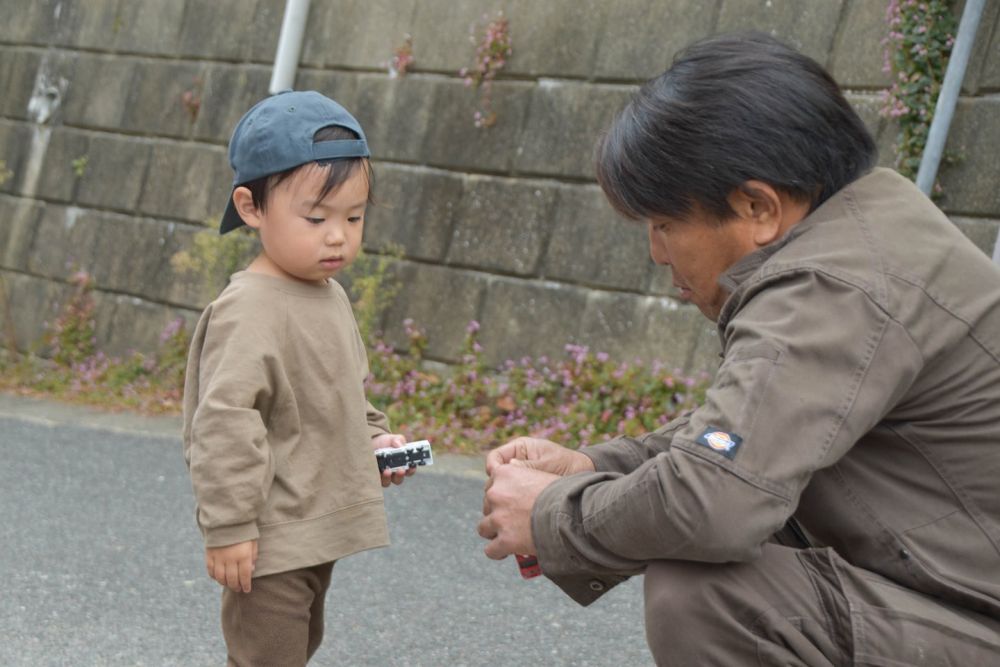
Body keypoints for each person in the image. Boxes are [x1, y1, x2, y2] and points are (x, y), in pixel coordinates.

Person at [479, 32, 1000, 665]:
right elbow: (746, 434)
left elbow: (715, 499)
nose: (656, 252)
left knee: (710, 593)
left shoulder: (832, 288)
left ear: (757, 207)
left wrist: (552, 514)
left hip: (973, 617)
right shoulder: (867, 234)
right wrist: (595, 467)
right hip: (955, 597)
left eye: (666, 224)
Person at [182, 90, 413, 665]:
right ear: (252, 207)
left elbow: (342, 397)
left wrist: (375, 442)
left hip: (312, 529)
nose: (338, 235)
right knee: (269, 656)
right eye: (316, 217)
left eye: (354, 217)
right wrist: (230, 525)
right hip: (270, 537)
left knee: (296, 648)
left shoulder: (327, 295)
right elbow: (223, 424)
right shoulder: (248, 310)